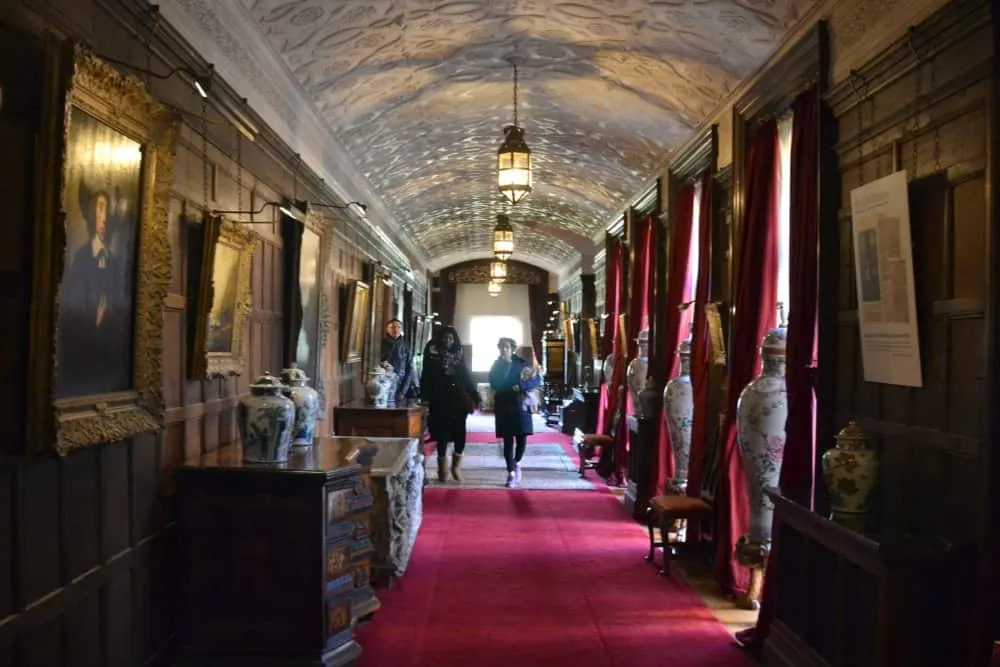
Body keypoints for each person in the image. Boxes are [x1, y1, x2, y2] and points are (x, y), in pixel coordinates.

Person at [420, 326, 480, 482]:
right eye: (445, 338)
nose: (448, 341)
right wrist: (425, 398)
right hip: (440, 400)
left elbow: (466, 376)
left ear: (455, 340)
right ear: (441, 339)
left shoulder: (459, 354)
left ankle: (456, 467)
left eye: (451, 338)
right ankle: (442, 469)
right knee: (442, 435)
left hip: (458, 400)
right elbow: (426, 377)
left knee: (460, 435)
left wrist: (475, 395)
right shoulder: (433, 354)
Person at [489, 337, 542, 488]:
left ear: (512, 348)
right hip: (504, 406)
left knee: (522, 439)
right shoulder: (497, 365)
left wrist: (521, 386)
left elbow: (535, 380)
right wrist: (505, 367)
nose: (504, 350)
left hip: (521, 405)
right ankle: (510, 472)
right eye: (502, 347)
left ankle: (517, 462)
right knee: (507, 441)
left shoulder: (521, 363)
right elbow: (494, 382)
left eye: (507, 347)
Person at [380, 318, 416, 401]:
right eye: (392, 327)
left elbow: (409, 368)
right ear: (387, 329)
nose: (396, 329)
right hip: (384, 382)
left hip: (400, 383)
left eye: (398, 327)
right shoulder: (381, 344)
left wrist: (403, 390)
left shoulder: (405, 346)